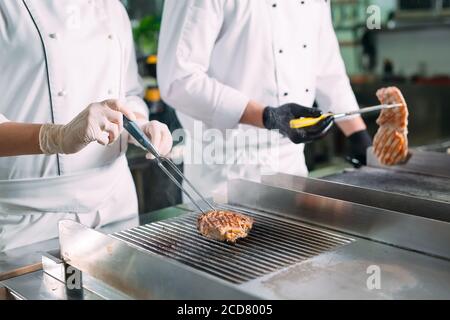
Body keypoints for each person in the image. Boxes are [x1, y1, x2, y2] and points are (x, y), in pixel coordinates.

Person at [0, 1, 173, 252]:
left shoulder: (112, 7)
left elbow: (130, 92)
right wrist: (56, 137)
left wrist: (139, 125)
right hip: (28, 222)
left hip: (116, 205)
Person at [157, 0, 372, 200]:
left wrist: (357, 135)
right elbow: (178, 80)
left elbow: (327, 68)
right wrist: (268, 117)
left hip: (291, 166)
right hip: (226, 172)